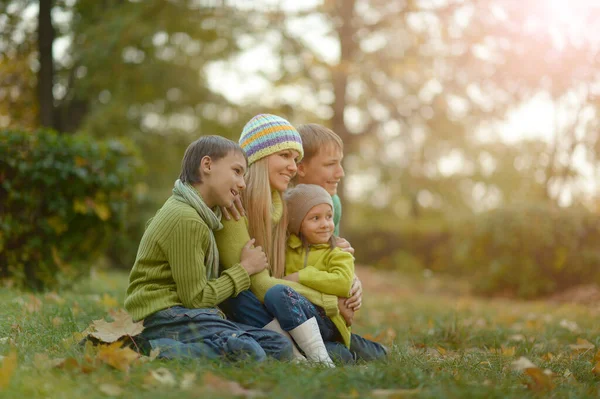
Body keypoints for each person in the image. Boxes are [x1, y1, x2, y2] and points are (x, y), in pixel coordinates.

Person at [124, 135, 293, 362]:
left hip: (188, 314)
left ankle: (194, 344)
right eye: (236, 171)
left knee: (278, 345)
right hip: (165, 315)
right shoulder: (186, 219)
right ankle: (145, 346)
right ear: (207, 165)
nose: (242, 183)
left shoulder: (203, 214)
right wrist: (245, 269)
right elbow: (195, 298)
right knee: (250, 352)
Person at [215, 114, 356, 366]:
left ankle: (307, 350)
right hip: (254, 303)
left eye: (295, 158)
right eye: (284, 156)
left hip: (283, 305)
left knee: (343, 352)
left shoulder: (283, 208)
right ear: (258, 158)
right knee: (241, 297)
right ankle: (297, 354)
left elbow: (315, 257)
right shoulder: (233, 208)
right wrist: (330, 302)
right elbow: (259, 286)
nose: (292, 166)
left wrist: (351, 281)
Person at [292, 123, 388, 361]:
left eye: (340, 163)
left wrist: (353, 283)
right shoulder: (282, 205)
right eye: (330, 164)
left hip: (323, 308)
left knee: (373, 355)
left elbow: (334, 252)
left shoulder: (333, 203)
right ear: (301, 168)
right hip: (291, 301)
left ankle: (336, 343)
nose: (340, 173)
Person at [283, 184, 388, 361]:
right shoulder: (287, 252)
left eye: (329, 217)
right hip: (299, 321)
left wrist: (302, 276)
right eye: (315, 218)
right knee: (340, 355)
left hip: (330, 324)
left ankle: (381, 353)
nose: (325, 224)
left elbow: (342, 282)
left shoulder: (338, 252)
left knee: (349, 351)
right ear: (297, 223)